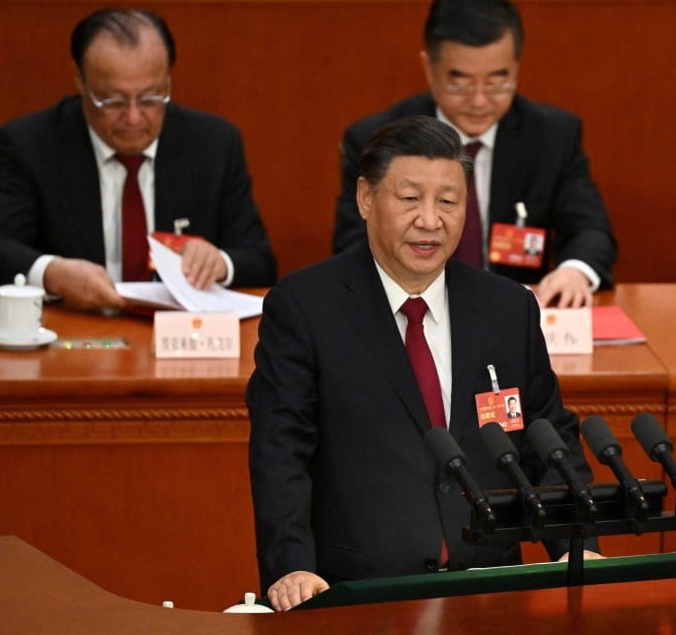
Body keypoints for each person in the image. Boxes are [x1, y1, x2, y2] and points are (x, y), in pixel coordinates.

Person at [247, 116, 599, 611]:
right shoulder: (306, 308)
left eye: (448, 202)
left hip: (490, 592)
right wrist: (291, 565)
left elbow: (548, 439)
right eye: (410, 199)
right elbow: (281, 451)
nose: (430, 220)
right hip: (360, 594)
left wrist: (577, 549)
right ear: (366, 198)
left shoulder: (507, 309)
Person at [332, 0, 616, 308]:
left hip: (512, 313)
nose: (479, 101)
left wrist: (574, 272)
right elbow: (353, 247)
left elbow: (590, 230)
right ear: (429, 68)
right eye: (461, 84)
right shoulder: (375, 139)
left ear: (516, 67)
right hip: (414, 311)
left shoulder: (552, 136)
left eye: (497, 82)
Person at [0, 9, 277, 310]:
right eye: (113, 101)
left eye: (150, 98)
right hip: (76, 327)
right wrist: (53, 274)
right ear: (80, 80)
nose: (133, 118)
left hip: (181, 333)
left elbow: (259, 259)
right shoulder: (31, 144)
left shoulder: (213, 144)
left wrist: (220, 263)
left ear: (167, 80)